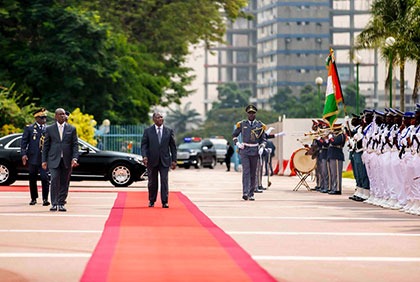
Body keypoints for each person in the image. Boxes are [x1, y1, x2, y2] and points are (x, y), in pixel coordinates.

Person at [42, 108, 79, 212]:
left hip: (67, 160)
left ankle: (61, 203)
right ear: (55, 116)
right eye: (60, 114)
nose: (63, 116)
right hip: (53, 159)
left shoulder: (71, 129)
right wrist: (44, 160)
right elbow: (46, 146)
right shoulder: (50, 129)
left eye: (64, 114)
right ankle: (54, 203)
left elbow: (75, 145)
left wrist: (74, 158)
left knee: (64, 182)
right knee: (54, 180)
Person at [141, 112, 177, 208]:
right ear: (154, 119)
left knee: (164, 181)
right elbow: (144, 145)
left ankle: (164, 201)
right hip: (152, 161)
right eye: (158, 117)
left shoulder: (168, 131)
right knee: (152, 181)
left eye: (161, 117)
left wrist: (174, 160)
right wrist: (144, 156)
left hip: (164, 161)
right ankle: (152, 200)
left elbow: (173, 147)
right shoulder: (148, 131)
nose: (160, 119)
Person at [232, 104, 267, 201]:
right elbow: (234, 135)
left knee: (253, 173)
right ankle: (245, 192)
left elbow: (263, 139)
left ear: (255, 114)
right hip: (245, 150)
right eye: (249, 113)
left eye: (253, 113)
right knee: (246, 172)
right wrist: (237, 143)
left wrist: (262, 147)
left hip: (255, 150)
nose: (251, 115)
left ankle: (251, 193)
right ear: (247, 114)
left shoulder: (260, 125)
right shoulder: (242, 124)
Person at [21, 108, 50, 206]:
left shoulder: (49, 129)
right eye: (42, 118)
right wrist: (24, 154)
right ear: (36, 118)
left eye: (45, 117)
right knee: (32, 179)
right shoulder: (29, 128)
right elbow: (24, 142)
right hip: (33, 158)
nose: (44, 120)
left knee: (45, 178)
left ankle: (45, 199)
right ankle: (33, 198)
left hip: (44, 159)